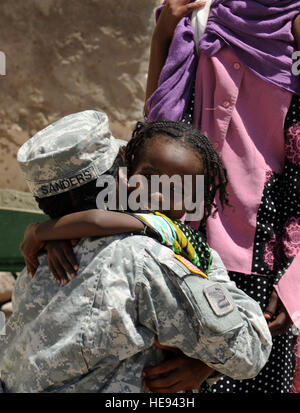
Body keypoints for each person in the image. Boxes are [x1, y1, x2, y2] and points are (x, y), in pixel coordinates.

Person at [0, 111, 272, 393]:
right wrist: (206, 364)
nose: (157, 195)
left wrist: (43, 231)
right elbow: (248, 350)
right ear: (122, 175)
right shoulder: (144, 258)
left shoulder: (44, 254)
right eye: (149, 177)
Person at [144, 0, 300, 393]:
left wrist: (296, 285)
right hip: (181, 248)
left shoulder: (295, 29)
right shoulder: (199, 16)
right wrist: (163, 34)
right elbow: (157, 131)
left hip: (267, 271)